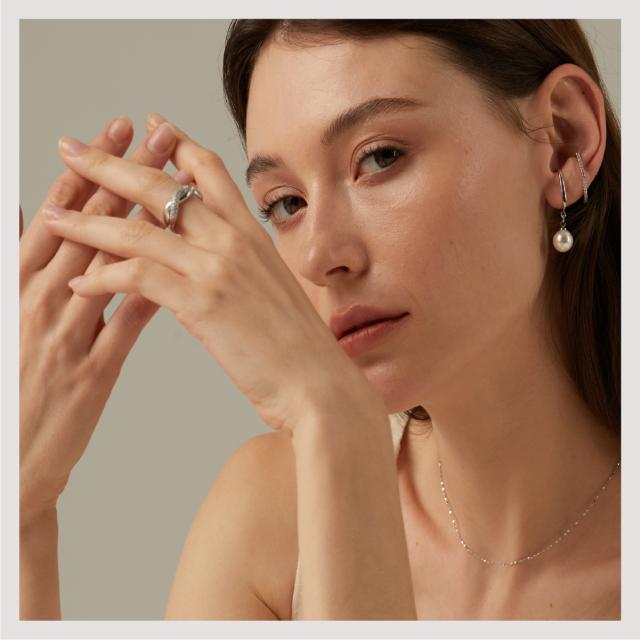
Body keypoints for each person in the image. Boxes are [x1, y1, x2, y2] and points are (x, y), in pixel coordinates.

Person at [19, 19, 620, 621]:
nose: (318, 256)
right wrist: (21, 518)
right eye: (287, 204)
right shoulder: (274, 519)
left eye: (380, 157)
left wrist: (335, 422)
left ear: (563, 139)